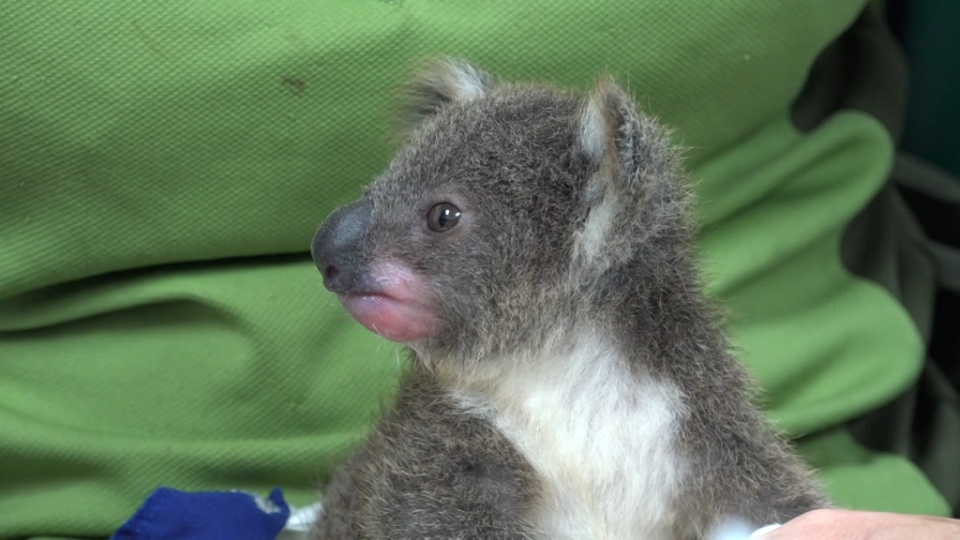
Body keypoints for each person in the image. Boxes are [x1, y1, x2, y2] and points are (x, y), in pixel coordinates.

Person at [0, 1, 956, 538]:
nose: (351, 261)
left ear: (594, 222)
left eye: (443, 221)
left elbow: (776, 520)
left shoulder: (695, 407)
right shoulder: (451, 441)